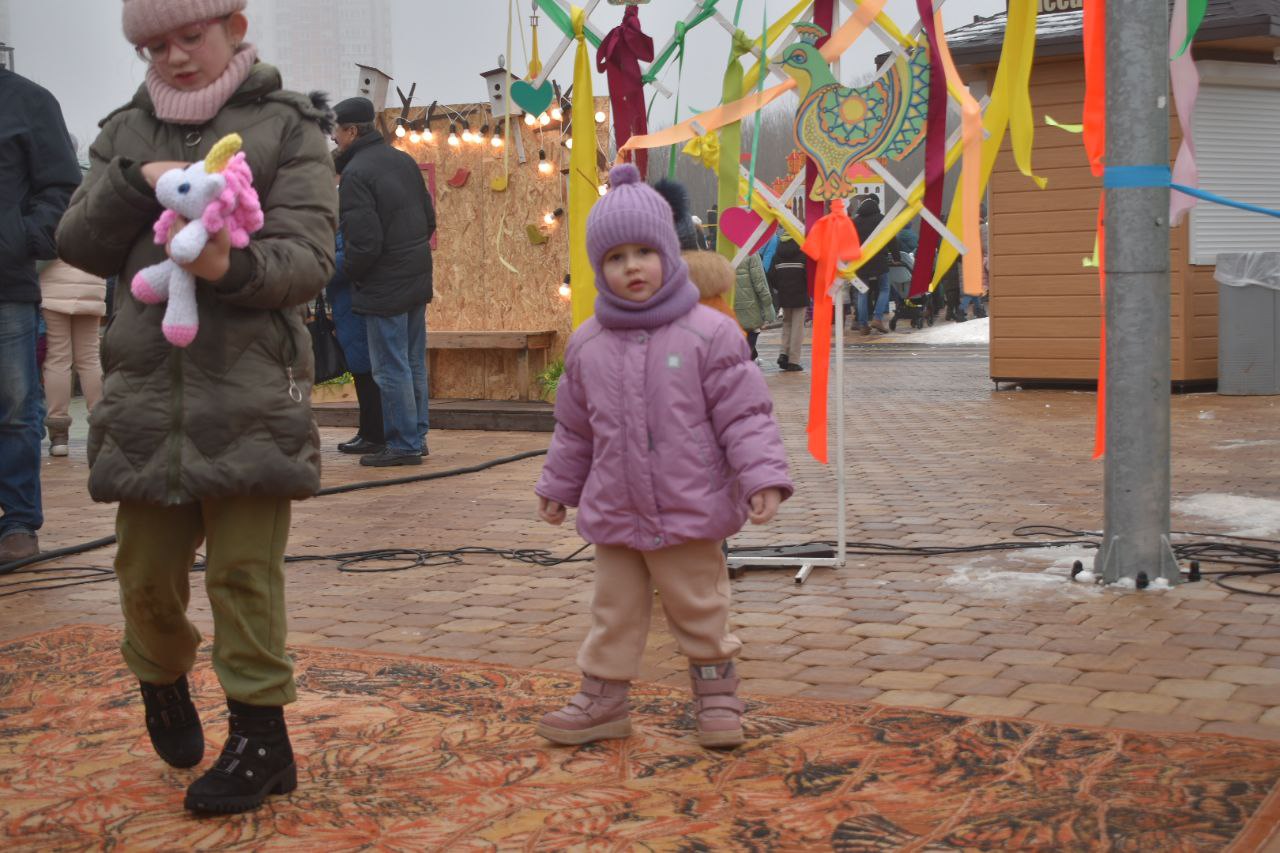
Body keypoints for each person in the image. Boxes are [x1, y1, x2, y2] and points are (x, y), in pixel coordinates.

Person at [56, 0, 337, 814]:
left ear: (234, 27)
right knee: (144, 575)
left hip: (251, 392)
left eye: (191, 36)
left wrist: (229, 267)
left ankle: (261, 738)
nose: (175, 56)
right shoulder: (122, 132)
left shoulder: (288, 127)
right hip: (146, 397)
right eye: (155, 45)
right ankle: (161, 674)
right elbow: (77, 242)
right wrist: (132, 181)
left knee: (246, 574)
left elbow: (309, 256)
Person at [534, 164, 793, 749]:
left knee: (699, 606)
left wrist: (762, 475)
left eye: (644, 252)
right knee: (613, 612)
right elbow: (575, 430)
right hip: (616, 510)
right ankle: (603, 700)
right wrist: (557, 486)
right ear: (598, 267)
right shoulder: (588, 344)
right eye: (615, 257)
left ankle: (717, 695)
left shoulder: (710, 334)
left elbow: (745, 415)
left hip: (689, 505)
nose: (632, 266)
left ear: (670, 253)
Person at [0, 66, 81, 563]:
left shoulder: (29, 101)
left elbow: (62, 188)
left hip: (6, 286)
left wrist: (20, 240)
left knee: (14, 409)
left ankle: (19, 523)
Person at [331, 96, 436, 467]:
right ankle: (416, 437)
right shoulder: (402, 160)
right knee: (412, 362)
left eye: (336, 131)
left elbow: (364, 244)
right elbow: (429, 221)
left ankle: (404, 444)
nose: (334, 139)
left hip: (382, 285)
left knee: (390, 367)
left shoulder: (356, 174)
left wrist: (349, 273)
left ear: (351, 131)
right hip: (415, 277)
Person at [39, 258, 106, 456]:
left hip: (53, 286)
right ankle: (101, 427)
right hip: (92, 284)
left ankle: (59, 435)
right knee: (90, 359)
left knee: (57, 359)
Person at [327, 229, 384, 454]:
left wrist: (317, 265)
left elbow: (350, 260)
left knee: (365, 369)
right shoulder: (346, 222)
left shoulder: (350, 223)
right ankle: (367, 431)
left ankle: (374, 435)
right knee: (361, 370)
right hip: (347, 304)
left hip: (353, 304)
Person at [851, 195, 900, 335]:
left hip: (860, 261)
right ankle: (877, 318)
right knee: (884, 288)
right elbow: (891, 239)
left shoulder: (855, 221)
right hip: (879, 259)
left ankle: (863, 325)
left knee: (862, 291)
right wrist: (896, 257)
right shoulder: (882, 219)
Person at [768, 233, 808, 371]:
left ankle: (783, 354)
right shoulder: (803, 255)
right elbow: (809, 275)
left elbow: (771, 275)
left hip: (784, 295)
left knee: (787, 324)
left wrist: (780, 287)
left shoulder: (777, 255)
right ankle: (793, 360)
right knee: (797, 328)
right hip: (800, 295)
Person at [733, 252, 776, 362]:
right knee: (753, 331)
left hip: (730, 303)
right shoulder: (751, 253)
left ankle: (746, 358)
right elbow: (759, 282)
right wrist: (767, 303)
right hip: (749, 304)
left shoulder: (723, 250)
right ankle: (747, 361)